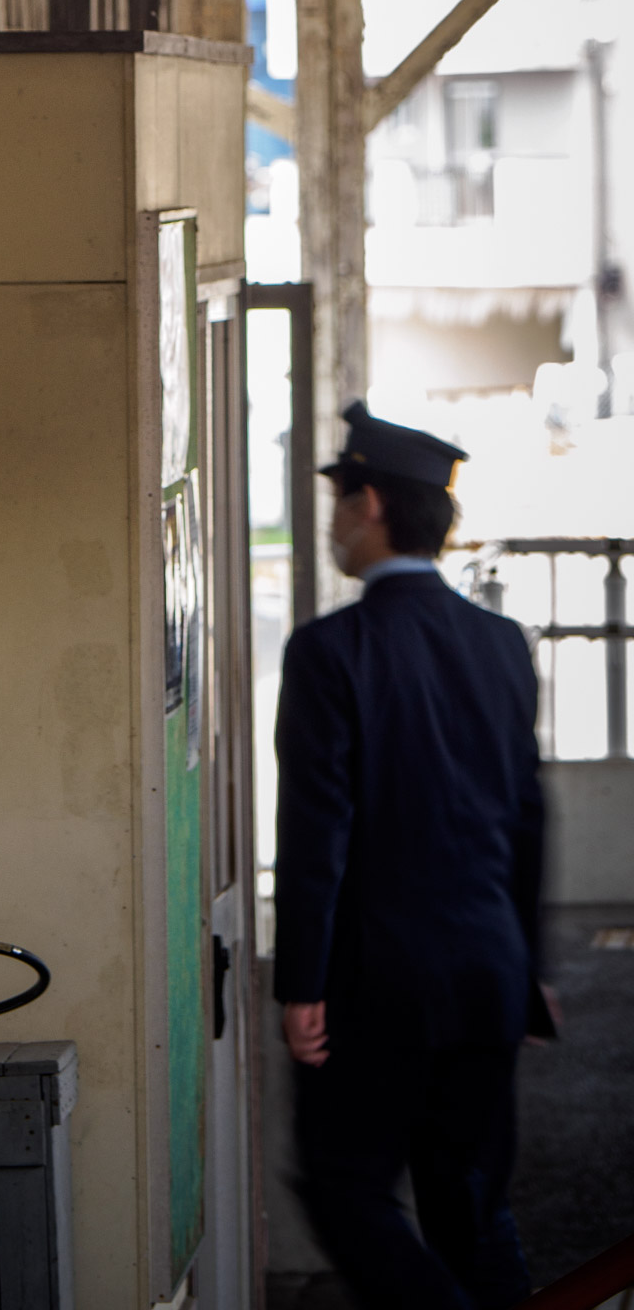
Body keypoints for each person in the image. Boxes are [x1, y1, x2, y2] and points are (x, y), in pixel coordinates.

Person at [274, 400, 548, 1310]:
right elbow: (525, 816)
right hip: (487, 975)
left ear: (374, 504)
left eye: (340, 497)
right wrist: (530, 971)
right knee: (471, 1203)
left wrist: (300, 983)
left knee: (346, 1189)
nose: (333, 520)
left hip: (376, 983)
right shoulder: (502, 644)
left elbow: (320, 828)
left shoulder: (328, 652)